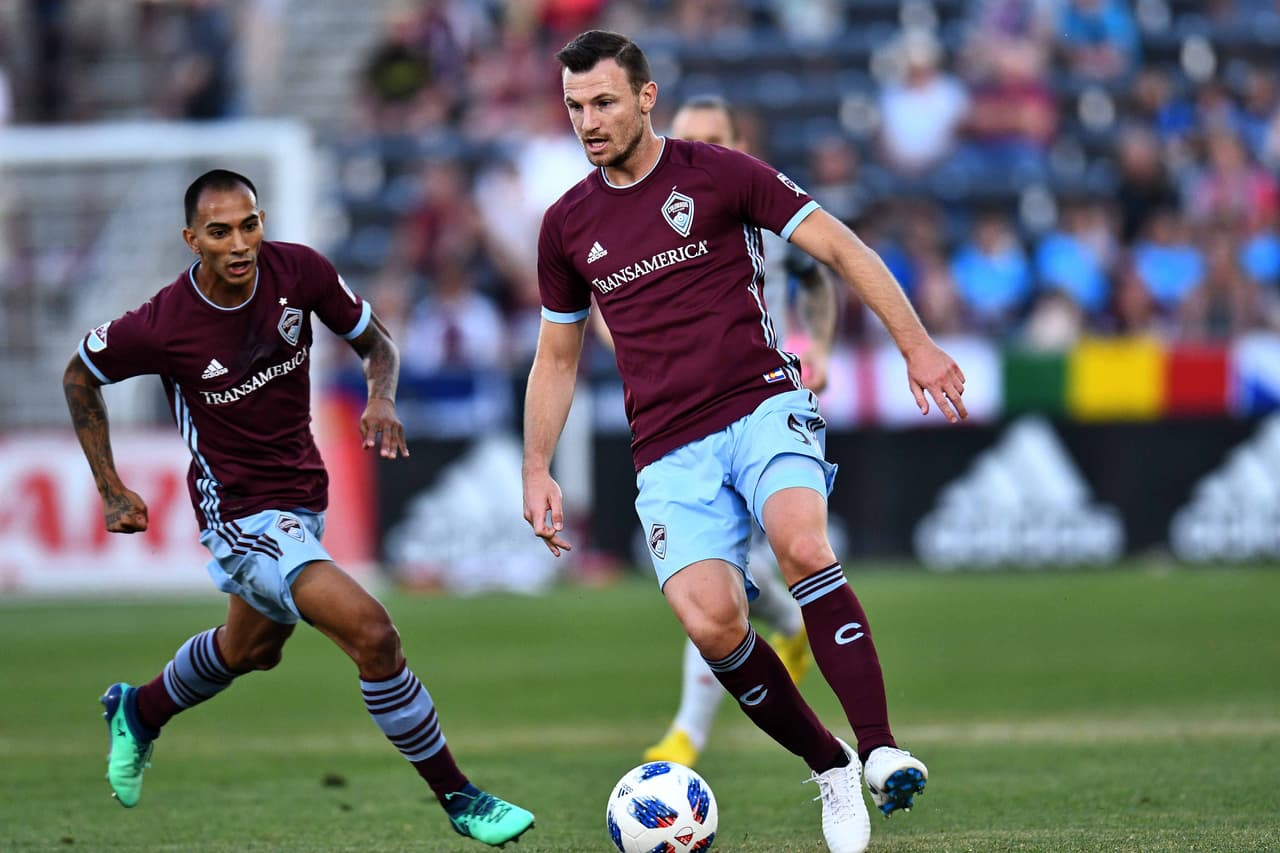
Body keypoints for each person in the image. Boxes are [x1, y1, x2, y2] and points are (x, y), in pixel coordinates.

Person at [521, 30, 966, 853]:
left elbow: (837, 246)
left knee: (801, 544)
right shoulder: (566, 227)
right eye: (576, 106)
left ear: (646, 98)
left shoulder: (719, 173)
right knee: (712, 619)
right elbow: (557, 354)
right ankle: (830, 765)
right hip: (665, 446)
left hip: (760, 403)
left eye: (605, 102)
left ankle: (879, 747)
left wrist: (916, 343)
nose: (589, 120)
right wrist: (537, 467)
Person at [62, 169, 534, 848]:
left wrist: (381, 395)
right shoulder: (165, 324)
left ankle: (137, 708)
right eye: (219, 231)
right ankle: (461, 796)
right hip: (242, 516)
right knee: (373, 632)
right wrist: (110, 486)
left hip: (304, 496)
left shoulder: (300, 271)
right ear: (191, 239)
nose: (238, 242)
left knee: (251, 649)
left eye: (248, 224)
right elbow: (80, 371)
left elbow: (378, 343)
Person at [622, 94, 838, 770]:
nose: (697, 148)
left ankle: (688, 732)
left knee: (739, 570)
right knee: (724, 574)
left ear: (739, 141)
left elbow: (816, 276)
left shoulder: (763, 208)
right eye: (687, 137)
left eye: (713, 137)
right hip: (691, 415)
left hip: (763, 402)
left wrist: (821, 347)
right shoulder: (651, 220)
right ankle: (789, 628)